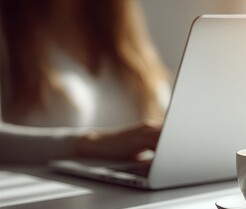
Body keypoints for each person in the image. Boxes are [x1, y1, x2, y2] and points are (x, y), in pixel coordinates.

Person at [0, 0, 171, 163]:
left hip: (141, 190)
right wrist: (89, 143)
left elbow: (163, 113)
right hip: (53, 192)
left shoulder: (123, 30)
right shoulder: (9, 34)